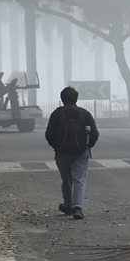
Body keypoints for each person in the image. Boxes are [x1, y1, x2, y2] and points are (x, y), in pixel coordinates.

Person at [44, 86, 99, 220]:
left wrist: (56, 146)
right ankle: (77, 207)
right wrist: (86, 146)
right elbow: (95, 134)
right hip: (82, 152)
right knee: (80, 179)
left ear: (62, 99)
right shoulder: (84, 114)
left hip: (62, 152)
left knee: (67, 179)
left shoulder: (57, 114)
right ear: (76, 98)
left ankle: (68, 205)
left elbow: (49, 134)